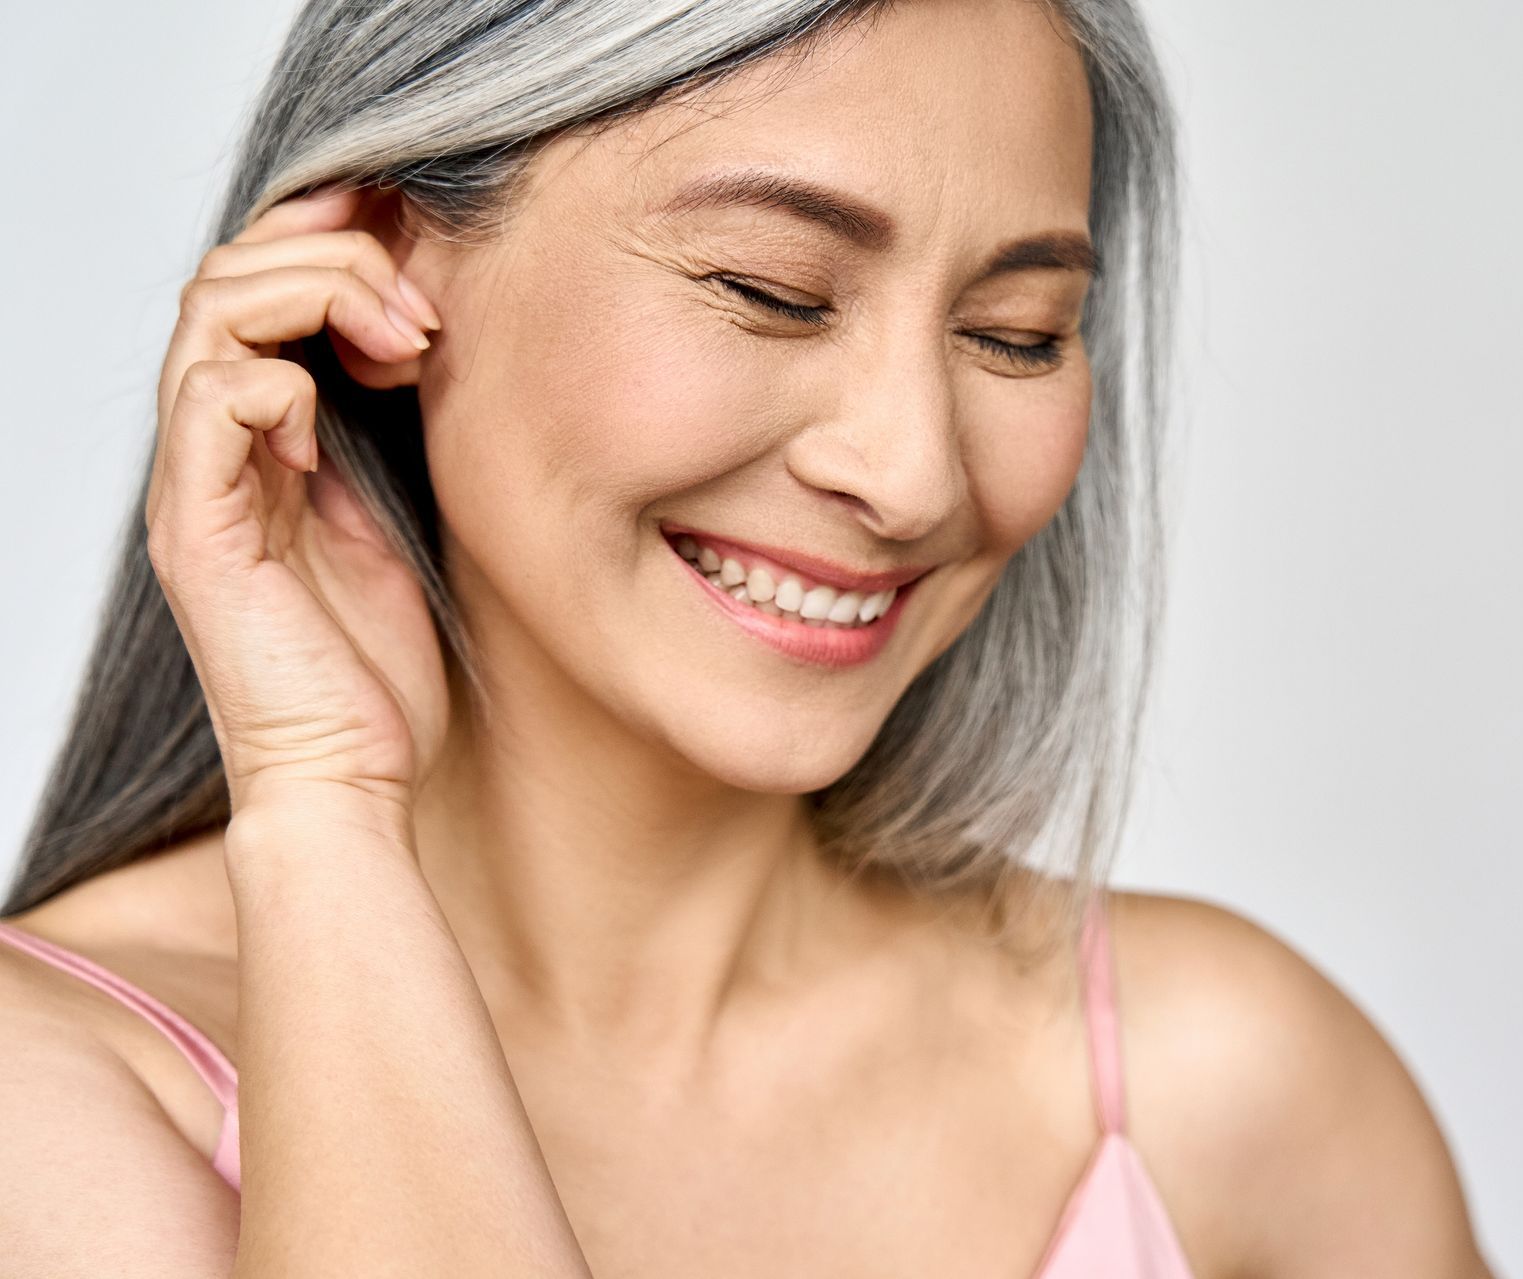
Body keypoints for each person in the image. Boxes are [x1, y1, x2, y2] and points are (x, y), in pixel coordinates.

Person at [0, 0, 1495, 1275]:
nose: (912, 474)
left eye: (1017, 332)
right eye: (770, 293)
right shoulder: (56, 1103)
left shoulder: (1231, 1089)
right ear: (384, 263)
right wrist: (325, 804)